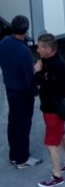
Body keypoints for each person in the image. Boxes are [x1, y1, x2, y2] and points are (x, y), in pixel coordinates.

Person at [33, 34, 65, 186]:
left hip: (54, 109)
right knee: (62, 134)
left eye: (39, 47)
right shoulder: (49, 60)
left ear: (48, 49)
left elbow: (44, 86)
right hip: (57, 107)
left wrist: (37, 72)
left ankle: (57, 176)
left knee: (52, 144)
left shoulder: (56, 65)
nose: (37, 50)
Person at [0, 15, 40, 169]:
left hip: (10, 88)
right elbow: (29, 77)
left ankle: (13, 155)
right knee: (24, 124)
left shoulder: (3, 42)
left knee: (13, 121)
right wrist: (35, 89)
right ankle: (22, 159)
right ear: (26, 30)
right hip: (23, 92)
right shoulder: (24, 51)